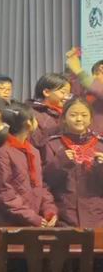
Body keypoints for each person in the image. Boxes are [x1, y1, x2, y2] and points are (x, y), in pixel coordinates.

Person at [0, 102, 57, 227]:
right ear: (29, 123)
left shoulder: (33, 151)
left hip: (32, 221)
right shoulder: (3, 151)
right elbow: (3, 191)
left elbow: (40, 185)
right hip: (9, 223)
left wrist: (49, 210)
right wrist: (31, 217)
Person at [43, 97, 103, 227]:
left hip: (97, 217)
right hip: (65, 217)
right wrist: (60, 162)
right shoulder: (53, 145)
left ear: (91, 118)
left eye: (84, 115)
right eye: (73, 115)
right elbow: (44, 183)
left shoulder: (100, 145)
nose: (79, 119)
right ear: (64, 118)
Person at [29, 73, 72, 156]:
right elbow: (35, 143)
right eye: (63, 92)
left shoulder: (65, 113)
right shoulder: (33, 113)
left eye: (68, 94)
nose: (66, 97)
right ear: (46, 92)